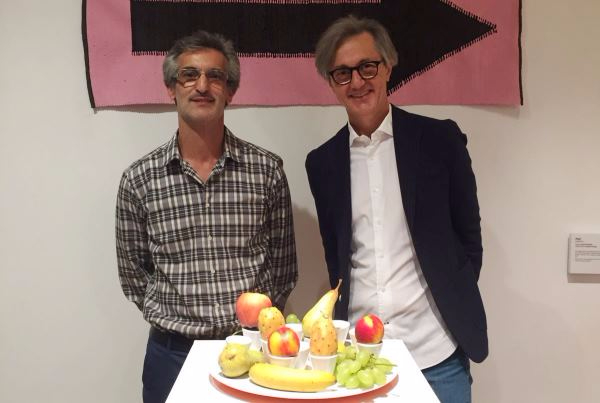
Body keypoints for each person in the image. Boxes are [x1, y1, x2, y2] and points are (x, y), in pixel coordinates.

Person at [306, 16, 487, 402]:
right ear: (332, 83)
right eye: (342, 73)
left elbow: (469, 239)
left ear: (388, 66)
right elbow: (337, 255)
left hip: (437, 354)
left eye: (367, 67)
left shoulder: (440, 141)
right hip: (358, 358)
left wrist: (452, 294)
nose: (357, 81)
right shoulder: (322, 164)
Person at [116, 30, 298, 403]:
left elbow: (283, 268)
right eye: (189, 75)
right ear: (171, 88)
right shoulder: (139, 180)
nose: (202, 86)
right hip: (172, 356)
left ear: (230, 91)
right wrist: (173, 313)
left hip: (252, 350)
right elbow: (134, 274)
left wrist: (253, 326)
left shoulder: (266, 171)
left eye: (215, 76)